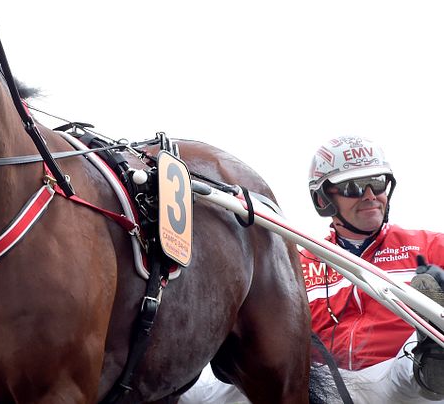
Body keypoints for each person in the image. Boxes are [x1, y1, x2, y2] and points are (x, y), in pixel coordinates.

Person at [180, 135, 444, 404]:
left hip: (395, 382)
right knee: (197, 392)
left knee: (415, 354)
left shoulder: (431, 246)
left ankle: (434, 356)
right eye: (353, 187)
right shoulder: (293, 263)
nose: (369, 196)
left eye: (377, 184)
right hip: (315, 383)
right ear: (323, 199)